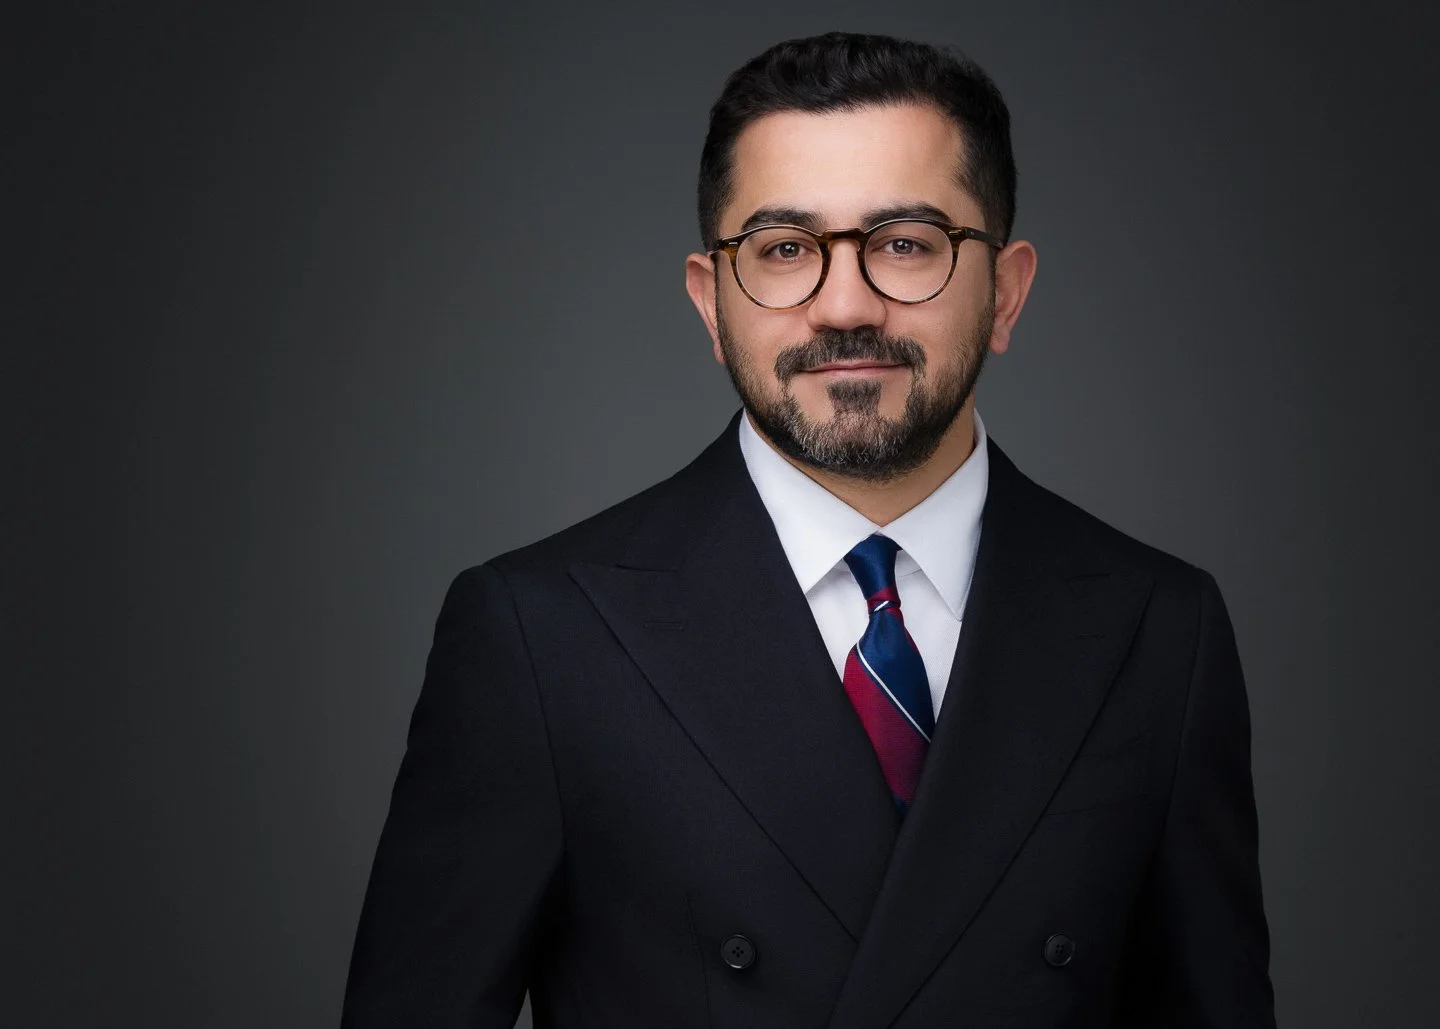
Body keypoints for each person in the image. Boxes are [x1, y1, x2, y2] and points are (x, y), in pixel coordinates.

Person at [340, 31, 1275, 1028]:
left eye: (905, 244)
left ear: (1005, 290)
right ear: (711, 302)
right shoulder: (538, 635)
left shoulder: (1159, 629)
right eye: (784, 251)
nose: (843, 305)